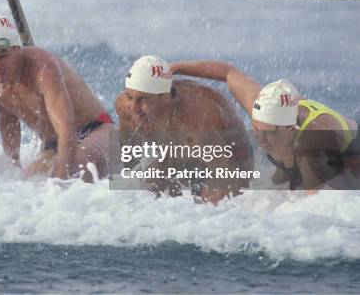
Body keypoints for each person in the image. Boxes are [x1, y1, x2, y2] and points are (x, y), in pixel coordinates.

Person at [170, 60, 360, 190]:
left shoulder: (313, 142)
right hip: (293, 148)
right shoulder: (261, 107)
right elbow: (228, 72)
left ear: (290, 129)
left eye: (269, 133)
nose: (261, 140)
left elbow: (314, 209)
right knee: (277, 182)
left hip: (349, 154)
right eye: (257, 129)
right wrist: (175, 68)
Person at [0, 13, 113, 182]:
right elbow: (8, 118)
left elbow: (67, 133)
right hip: (53, 145)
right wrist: (12, 165)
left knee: (76, 173)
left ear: (17, 50)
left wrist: (58, 184)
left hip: (95, 129)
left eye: (3, 56)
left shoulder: (43, 69)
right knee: (26, 182)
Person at [115, 55, 254, 204]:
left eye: (143, 99)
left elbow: (227, 176)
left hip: (233, 159)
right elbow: (129, 160)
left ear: (165, 98)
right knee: (147, 184)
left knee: (216, 201)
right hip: (182, 156)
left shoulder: (198, 122)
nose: (134, 108)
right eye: (130, 97)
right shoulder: (125, 109)